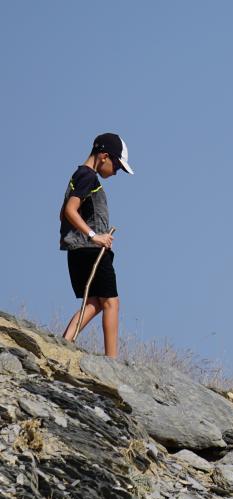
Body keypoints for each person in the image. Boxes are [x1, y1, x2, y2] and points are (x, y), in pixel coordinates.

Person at [59, 133, 134, 357]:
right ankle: (112, 362)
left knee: (95, 302)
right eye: (117, 166)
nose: (117, 171)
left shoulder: (79, 176)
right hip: (90, 250)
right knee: (112, 302)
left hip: (78, 250)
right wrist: (94, 235)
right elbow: (69, 211)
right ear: (104, 156)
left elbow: (62, 214)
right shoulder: (87, 177)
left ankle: (65, 342)